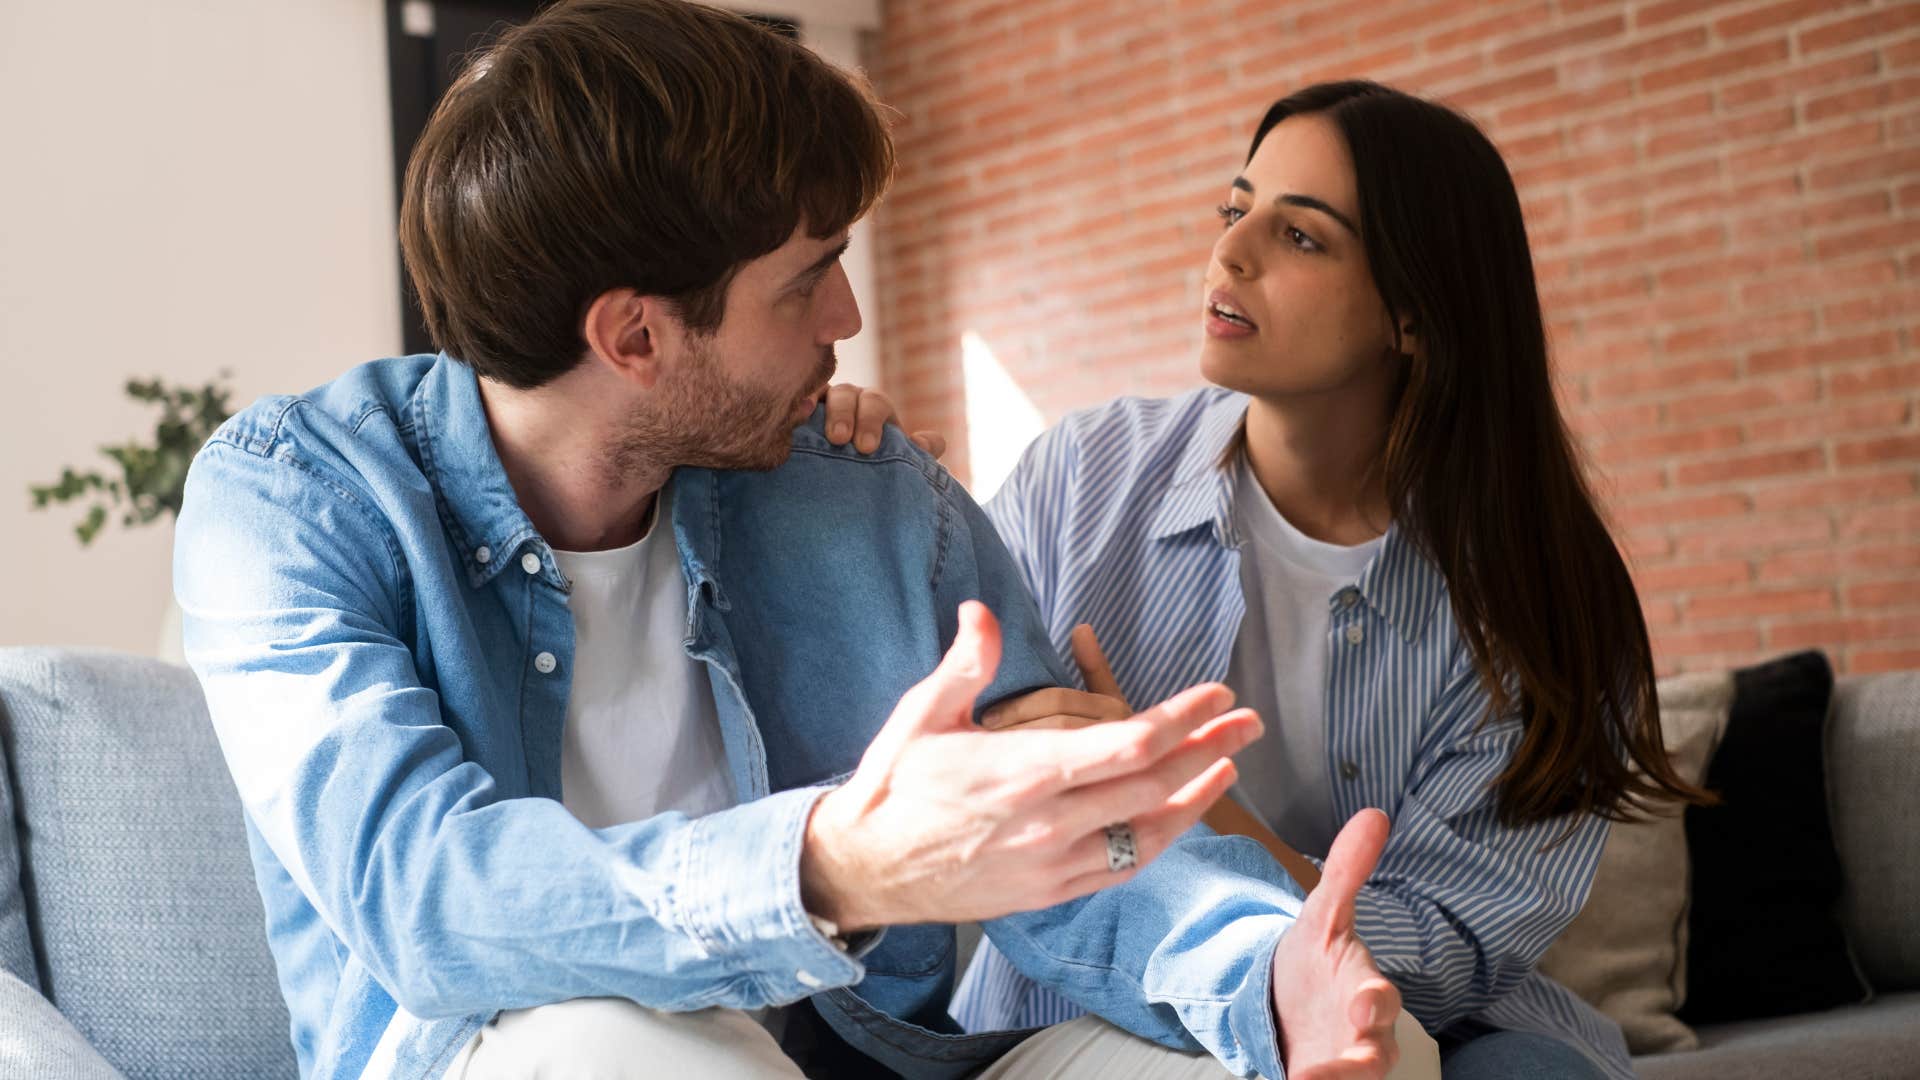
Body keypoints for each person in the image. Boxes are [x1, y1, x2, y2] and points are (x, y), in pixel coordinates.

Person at [173, 8, 1412, 1078]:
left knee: (1348, 1046)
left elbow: (1062, 831)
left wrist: (1263, 970)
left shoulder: (857, 488)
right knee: (632, 1048)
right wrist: (840, 864)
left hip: (860, 1058)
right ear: (636, 340)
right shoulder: (295, 501)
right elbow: (426, 896)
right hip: (511, 1052)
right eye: (807, 279)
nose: (851, 316)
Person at [949, 81, 1711, 1080]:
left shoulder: (1540, 595)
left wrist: (1186, 805)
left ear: (1413, 314)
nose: (1230, 252)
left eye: (1301, 237)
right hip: (1085, 1006)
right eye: (1237, 209)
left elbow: (1434, 962)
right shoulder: (1082, 479)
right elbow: (954, 785)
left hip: (1423, 1023)